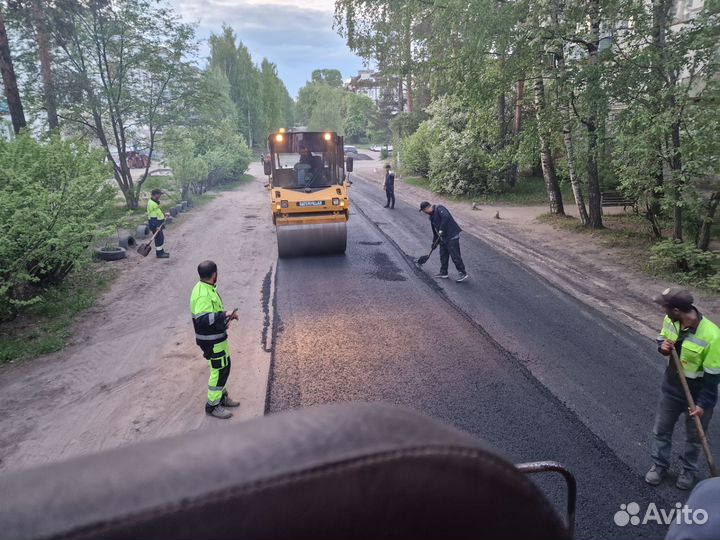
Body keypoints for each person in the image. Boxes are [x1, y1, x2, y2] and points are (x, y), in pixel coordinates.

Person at [645, 287, 720, 489]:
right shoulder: (671, 320)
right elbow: (662, 338)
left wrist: (702, 404)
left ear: (676, 309)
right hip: (671, 389)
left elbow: (713, 376)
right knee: (661, 430)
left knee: (695, 438)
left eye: (664, 306)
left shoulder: (712, 335)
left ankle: (688, 471)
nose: (663, 309)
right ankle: (659, 465)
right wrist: (662, 348)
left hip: (698, 396)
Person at [190, 260, 241, 419]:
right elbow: (203, 319)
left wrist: (224, 318)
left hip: (217, 338)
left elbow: (211, 315)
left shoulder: (206, 288)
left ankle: (222, 397)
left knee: (224, 367)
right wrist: (224, 314)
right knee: (218, 370)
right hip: (211, 341)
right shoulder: (202, 294)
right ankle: (212, 406)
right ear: (214, 274)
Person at [419, 201, 468, 282]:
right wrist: (434, 243)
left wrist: (441, 229)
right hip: (443, 238)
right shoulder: (431, 217)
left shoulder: (439, 208)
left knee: (455, 256)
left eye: (424, 211)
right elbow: (435, 231)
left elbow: (446, 217)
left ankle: (462, 273)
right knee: (443, 255)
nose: (424, 213)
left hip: (452, 236)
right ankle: (443, 272)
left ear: (427, 208)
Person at [147, 189, 169, 258]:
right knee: (158, 239)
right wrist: (156, 226)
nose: (160, 196)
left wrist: (164, 215)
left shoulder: (154, 202)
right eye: (159, 194)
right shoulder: (152, 203)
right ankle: (159, 254)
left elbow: (157, 213)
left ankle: (161, 251)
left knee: (161, 238)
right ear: (155, 194)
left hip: (158, 223)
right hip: (155, 224)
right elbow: (153, 217)